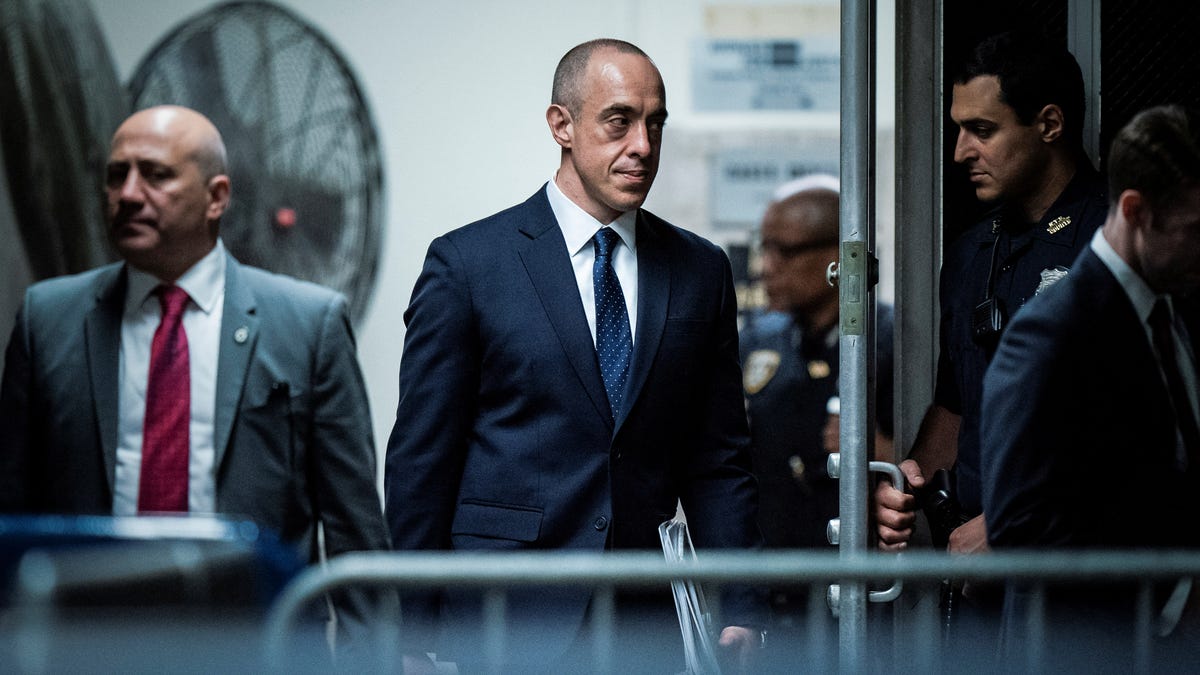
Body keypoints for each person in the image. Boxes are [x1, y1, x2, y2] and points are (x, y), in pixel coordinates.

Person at [385, 38, 764, 673]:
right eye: (619, 121)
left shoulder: (700, 270)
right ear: (561, 125)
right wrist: (417, 629)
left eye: (655, 124)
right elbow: (423, 455)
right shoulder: (468, 264)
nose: (642, 146)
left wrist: (743, 601)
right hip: (505, 613)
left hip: (645, 620)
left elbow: (719, 455)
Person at [0, 105, 390, 644]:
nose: (129, 194)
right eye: (116, 175)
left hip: (254, 644)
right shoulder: (48, 319)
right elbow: (11, 511)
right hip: (87, 643)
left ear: (217, 197)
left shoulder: (307, 325)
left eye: (156, 174)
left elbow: (356, 538)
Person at [872, 29, 1108, 656]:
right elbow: (957, 400)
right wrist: (906, 487)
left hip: (1084, 596)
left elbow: (1130, 433)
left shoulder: (1114, 244)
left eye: (983, 129)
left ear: (1050, 124)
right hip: (977, 591)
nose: (959, 151)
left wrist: (1012, 531)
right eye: (958, 128)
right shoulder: (975, 251)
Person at [980, 104, 1200, 668]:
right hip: (1088, 650)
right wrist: (1174, 574)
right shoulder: (1052, 334)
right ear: (1135, 211)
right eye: (1195, 230)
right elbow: (1020, 527)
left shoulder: (1170, 309)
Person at [739, 176, 894, 633]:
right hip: (771, 591)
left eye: (782, 251)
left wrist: (879, 449)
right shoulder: (758, 341)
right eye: (763, 248)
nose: (766, 267)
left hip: (853, 597)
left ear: (835, 256)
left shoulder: (889, 344)